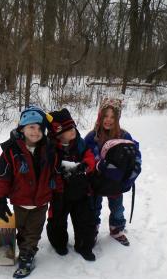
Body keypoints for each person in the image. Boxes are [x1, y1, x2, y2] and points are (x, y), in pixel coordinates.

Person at [0, 106, 63, 278]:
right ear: (22, 128)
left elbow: (55, 174)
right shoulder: (10, 152)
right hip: (19, 201)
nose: (36, 131)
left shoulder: (49, 150)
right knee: (21, 231)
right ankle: (25, 249)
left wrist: (57, 193)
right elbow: (3, 178)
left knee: (33, 233)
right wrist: (1, 199)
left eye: (40, 128)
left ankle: (27, 257)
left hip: (41, 203)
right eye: (31, 127)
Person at [85, 98, 142, 246]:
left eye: (112, 117)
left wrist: (133, 171)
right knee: (93, 208)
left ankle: (116, 228)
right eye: (105, 116)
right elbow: (85, 156)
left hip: (117, 182)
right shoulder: (92, 136)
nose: (108, 120)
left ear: (117, 119)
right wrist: (97, 165)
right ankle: (92, 229)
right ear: (100, 116)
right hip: (96, 182)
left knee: (117, 208)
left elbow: (135, 155)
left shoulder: (124, 136)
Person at [46, 108, 97, 261]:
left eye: (73, 127)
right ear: (59, 134)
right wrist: (57, 169)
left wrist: (85, 166)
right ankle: (59, 244)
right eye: (69, 129)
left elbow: (90, 157)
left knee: (85, 220)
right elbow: (47, 165)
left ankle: (84, 246)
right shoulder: (51, 148)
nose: (73, 131)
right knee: (57, 221)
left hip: (81, 191)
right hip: (60, 193)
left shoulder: (79, 143)